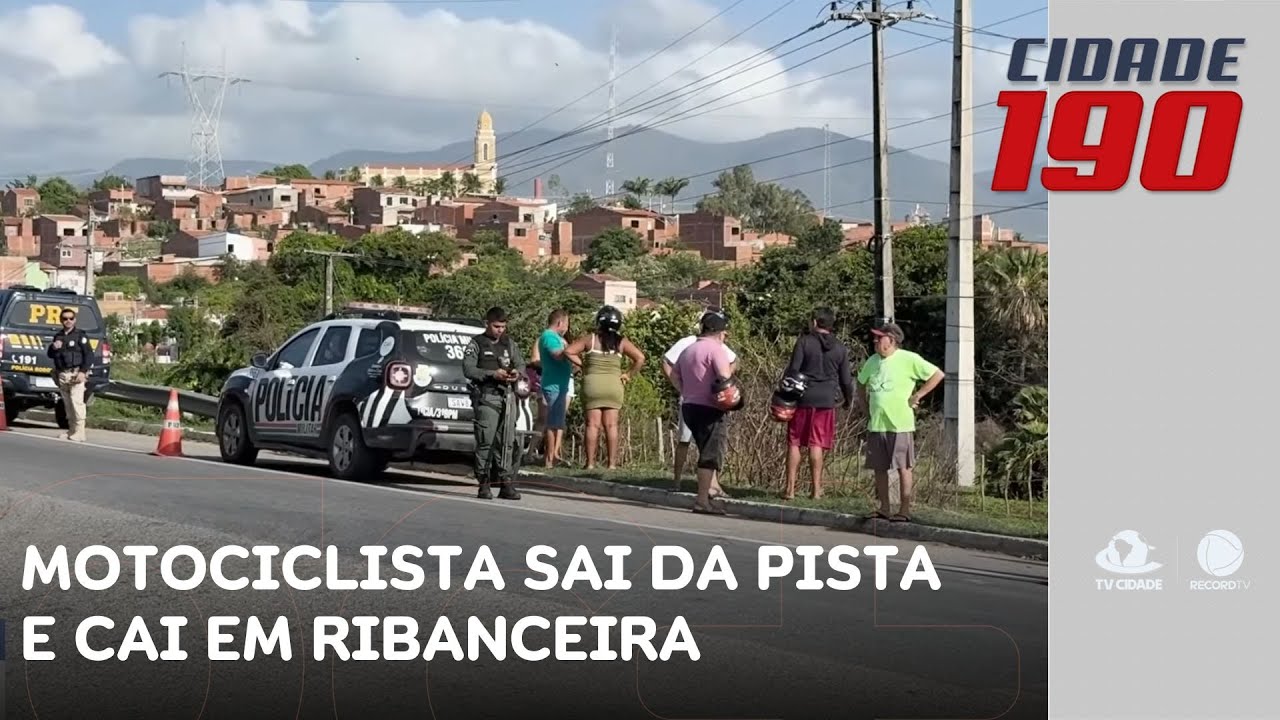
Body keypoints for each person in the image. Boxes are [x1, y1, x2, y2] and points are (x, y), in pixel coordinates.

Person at [856, 322, 944, 523]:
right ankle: (884, 508)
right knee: (879, 467)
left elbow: (937, 374)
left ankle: (904, 510)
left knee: (903, 466)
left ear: (892, 340)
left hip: (900, 424)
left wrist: (918, 395)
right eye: (875, 337)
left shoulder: (908, 358)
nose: (875, 341)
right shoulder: (872, 361)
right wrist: (865, 407)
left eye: (880, 337)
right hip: (877, 424)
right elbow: (861, 383)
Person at [781, 307, 855, 500]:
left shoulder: (804, 342)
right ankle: (816, 491)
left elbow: (793, 370)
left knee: (795, 441)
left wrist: (784, 395)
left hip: (802, 398)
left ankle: (789, 489)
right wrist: (848, 400)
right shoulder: (840, 348)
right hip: (826, 400)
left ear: (814, 322)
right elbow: (846, 380)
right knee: (817, 444)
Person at [662, 308, 738, 494]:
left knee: (703, 447)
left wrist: (685, 389)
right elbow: (725, 375)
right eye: (724, 333)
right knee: (707, 451)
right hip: (709, 406)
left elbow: (674, 370)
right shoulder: (712, 348)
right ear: (719, 332)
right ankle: (703, 495)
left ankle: (711, 486)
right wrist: (729, 394)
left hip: (690, 404)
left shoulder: (690, 349)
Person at [564, 305, 645, 470]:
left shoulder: (591, 339)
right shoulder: (621, 341)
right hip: (613, 386)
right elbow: (640, 358)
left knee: (592, 425)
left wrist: (584, 364)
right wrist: (628, 374)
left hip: (593, 384)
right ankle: (612, 464)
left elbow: (568, 351)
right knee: (611, 425)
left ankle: (590, 463)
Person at [462, 306, 526, 501]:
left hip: (508, 397)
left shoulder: (509, 344)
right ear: (487, 324)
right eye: (496, 326)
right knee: (486, 441)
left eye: (503, 327)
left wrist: (516, 373)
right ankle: (484, 483)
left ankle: (506, 483)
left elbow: (521, 364)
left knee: (507, 442)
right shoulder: (477, 343)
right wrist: (492, 374)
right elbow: (469, 369)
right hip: (487, 397)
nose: (500, 330)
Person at [46, 306, 92, 442]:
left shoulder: (80, 335)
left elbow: (89, 355)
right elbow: (50, 354)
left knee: (77, 403)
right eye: (65, 318)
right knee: (68, 405)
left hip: (76, 373)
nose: (68, 321)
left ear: (75, 320)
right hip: (62, 374)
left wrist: (83, 372)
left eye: (71, 318)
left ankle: (80, 432)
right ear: (61, 320)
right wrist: (54, 347)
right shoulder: (58, 336)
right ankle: (72, 430)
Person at [535, 309, 572, 467]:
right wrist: (571, 350)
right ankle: (550, 457)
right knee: (553, 422)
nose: (567, 328)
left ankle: (554, 455)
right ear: (560, 323)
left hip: (560, 384)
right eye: (566, 324)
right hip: (553, 384)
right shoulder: (549, 337)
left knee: (558, 421)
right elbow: (557, 354)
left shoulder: (556, 338)